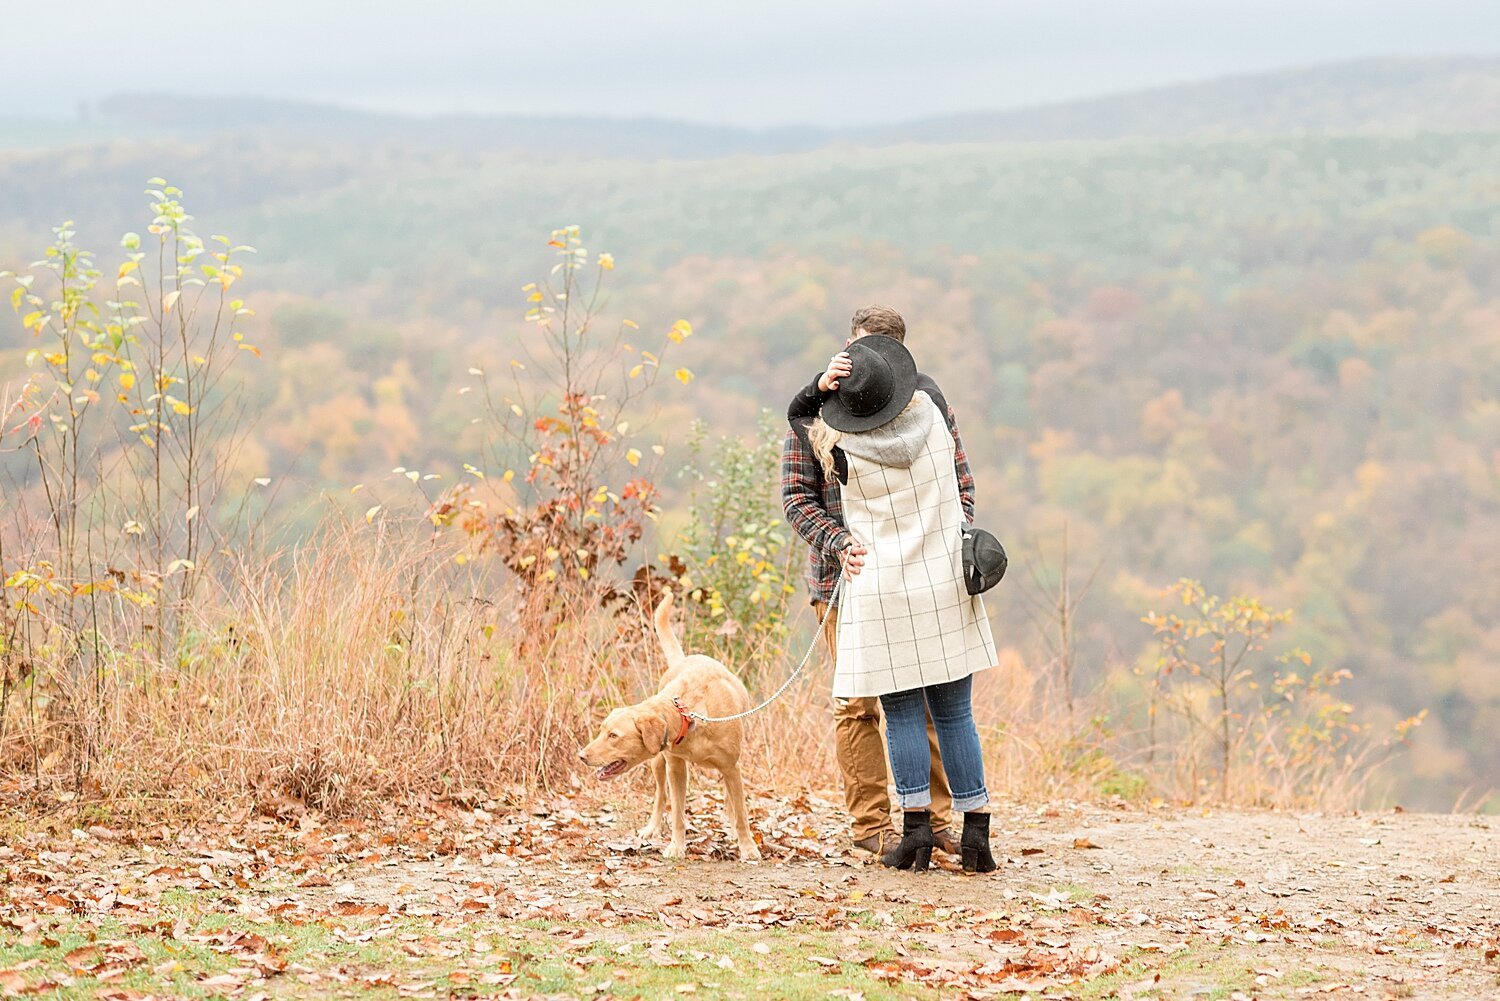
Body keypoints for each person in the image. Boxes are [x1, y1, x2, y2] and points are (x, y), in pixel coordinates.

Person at [780, 305, 975, 858]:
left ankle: (933, 823)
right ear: (848, 346)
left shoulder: (927, 404)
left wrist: (944, 542)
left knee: (933, 691)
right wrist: (840, 545)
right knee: (857, 705)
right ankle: (870, 826)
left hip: (920, 576)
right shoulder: (818, 412)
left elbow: (960, 482)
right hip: (843, 580)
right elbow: (797, 497)